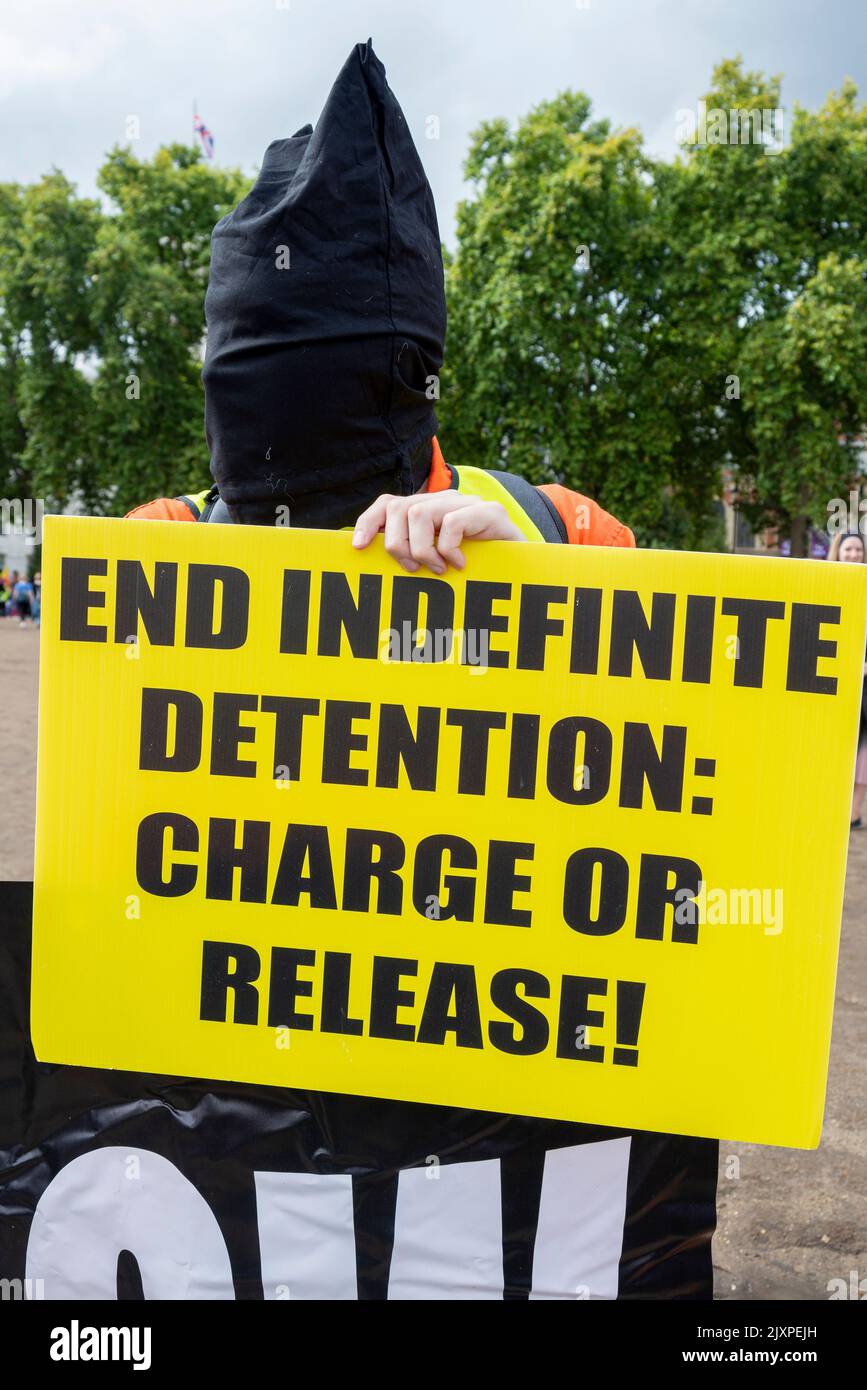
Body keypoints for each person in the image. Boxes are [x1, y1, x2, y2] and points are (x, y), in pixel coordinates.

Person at [121, 42, 718, 1301]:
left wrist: (550, 597)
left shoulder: (560, 532)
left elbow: (724, 784)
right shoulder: (156, 553)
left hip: (494, 1161)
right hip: (253, 1152)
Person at [828, 531, 867, 827]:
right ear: (838, 552)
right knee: (836, 749)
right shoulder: (830, 584)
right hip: (833, 681)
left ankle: (853, 814)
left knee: (863, 753)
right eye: (848, 548)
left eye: (858, 549)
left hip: (864, 685)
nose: (853, 554)